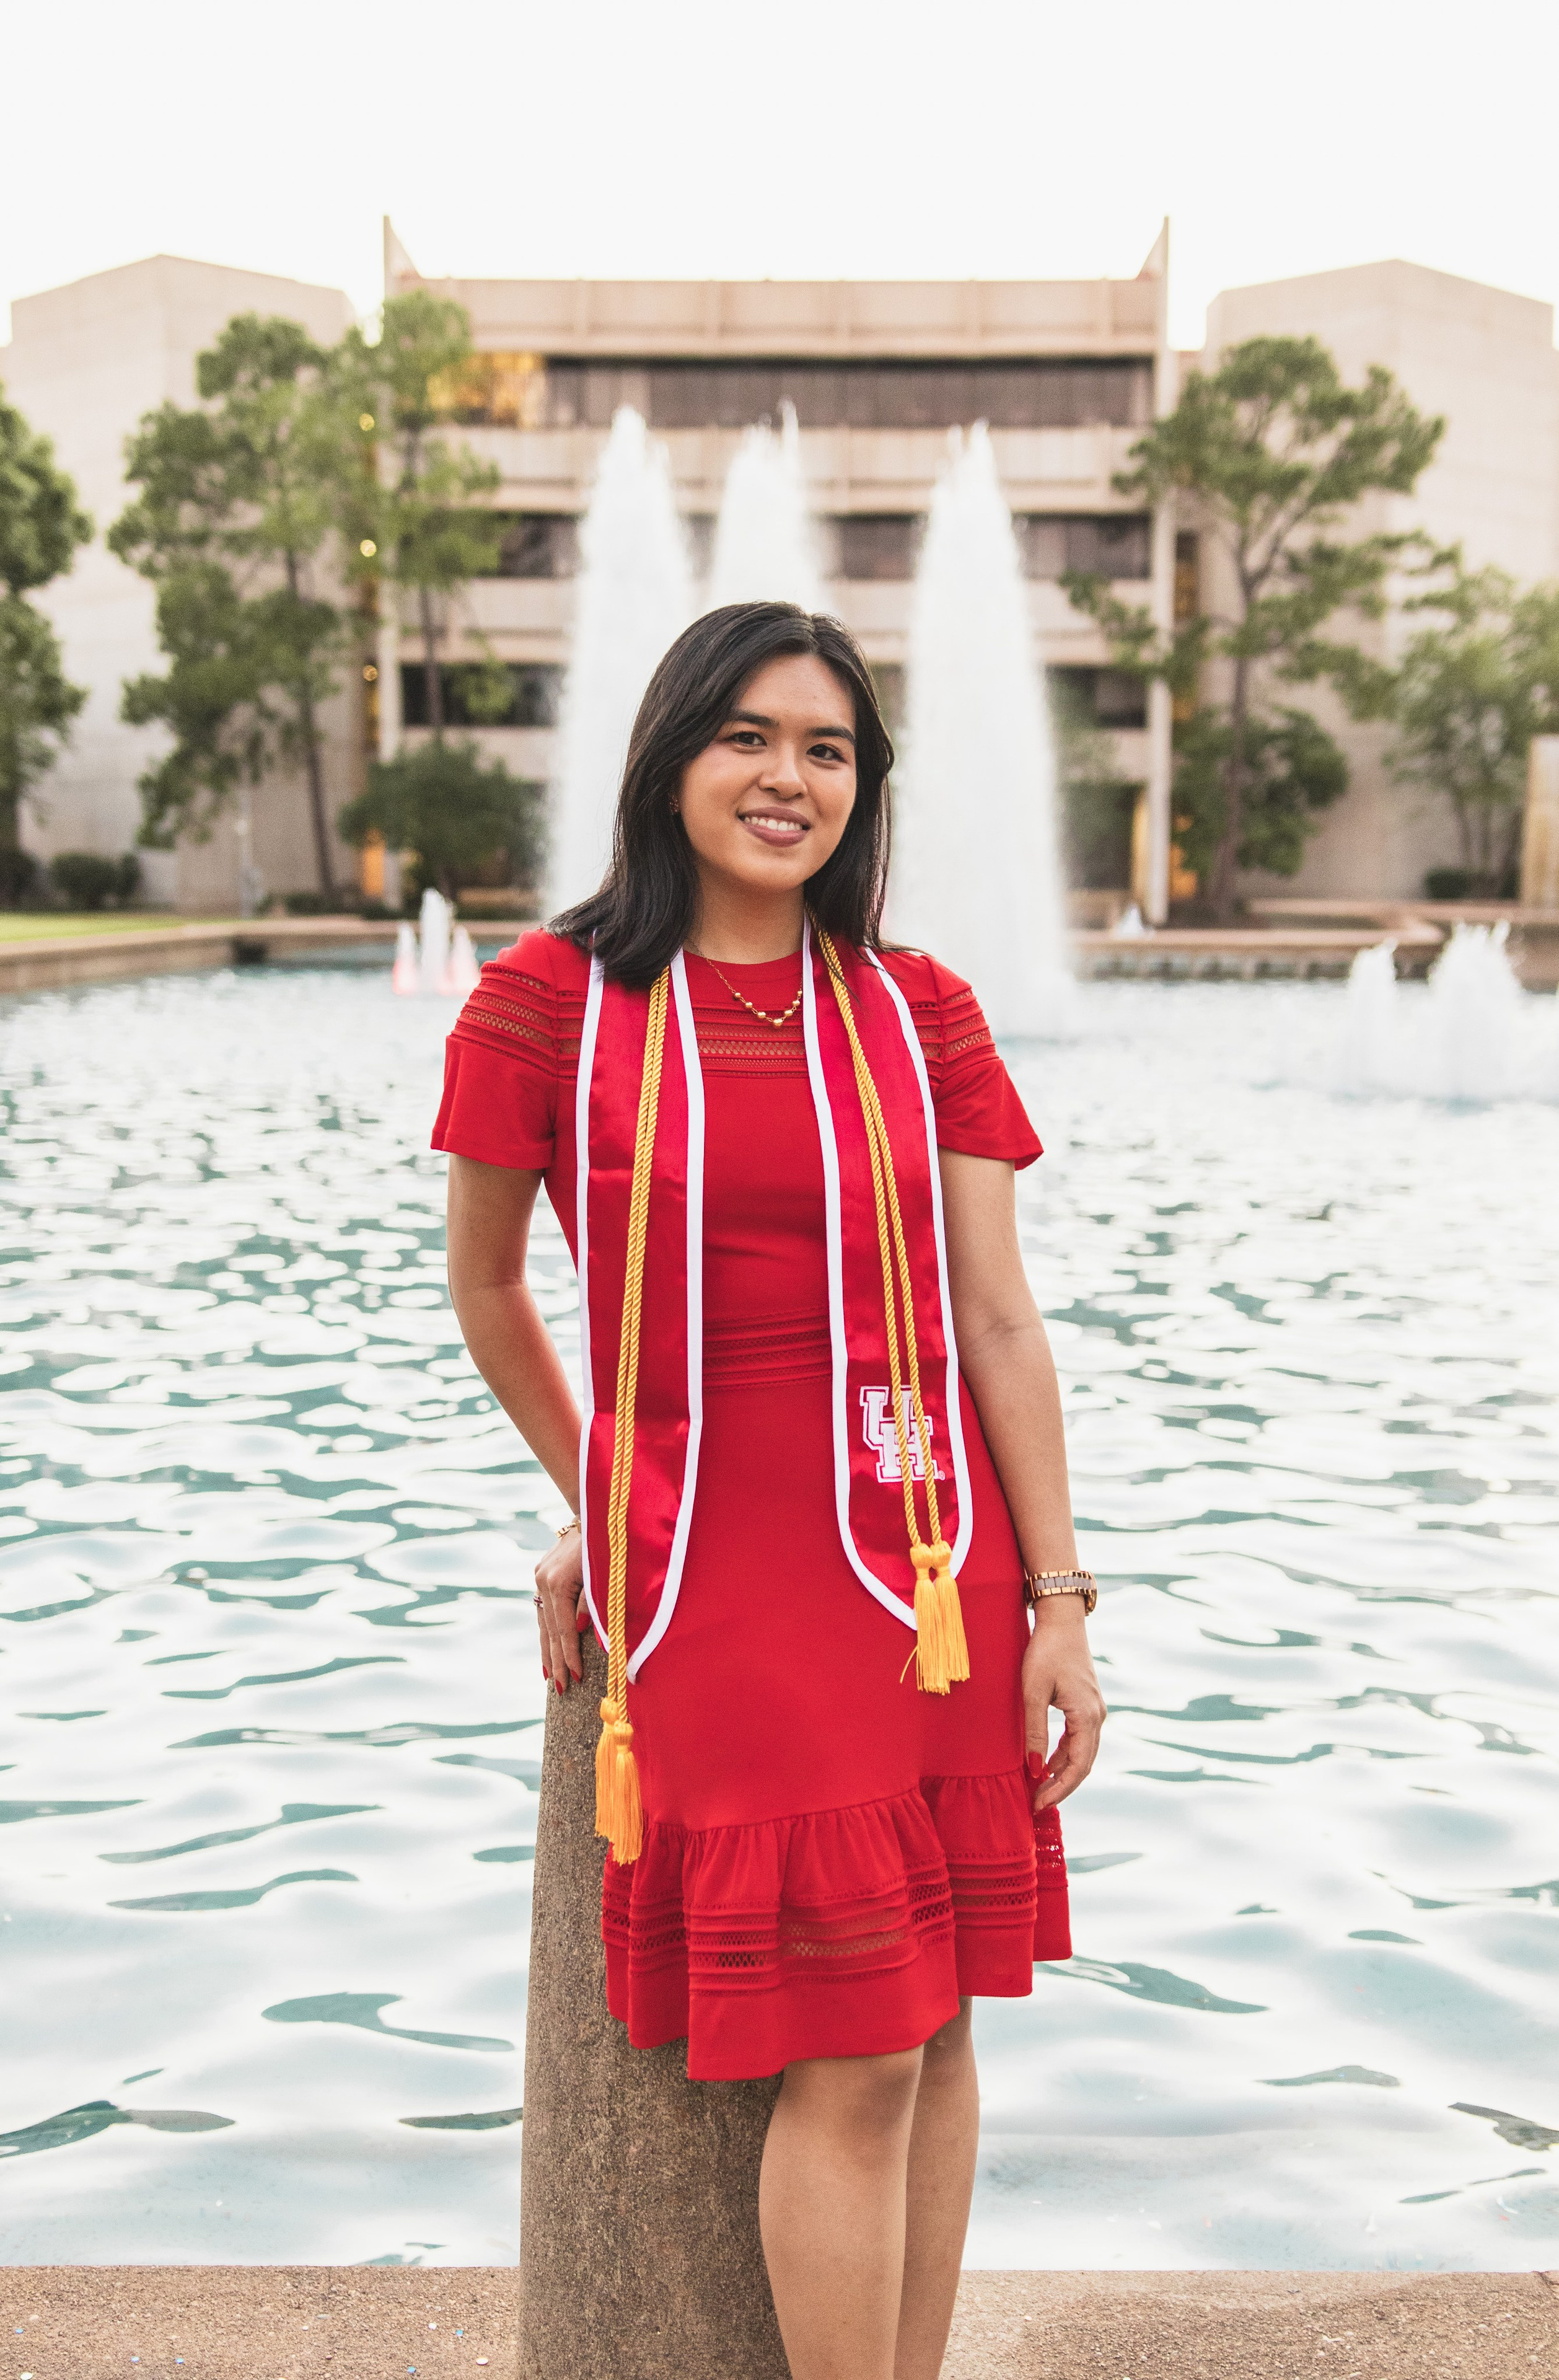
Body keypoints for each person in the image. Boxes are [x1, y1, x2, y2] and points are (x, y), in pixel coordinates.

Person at [436, 601, 1105, 2380]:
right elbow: (492, 1291)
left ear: (861, 788)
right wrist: (611, 1495)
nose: (785, 778)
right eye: (746, 736)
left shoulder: (914, 1008)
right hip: (722, 1580)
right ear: (668, 759)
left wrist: (1061, 1604)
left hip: (931, 1560)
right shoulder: (547, 1005)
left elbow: (995, 1317)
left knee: (944, 2021)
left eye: (826, 748)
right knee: (860, 2045)